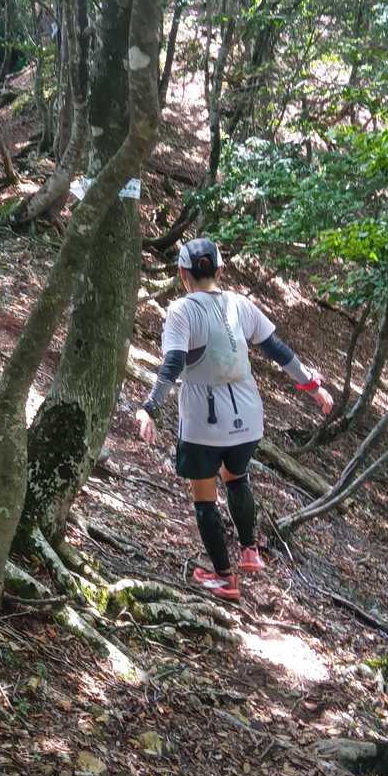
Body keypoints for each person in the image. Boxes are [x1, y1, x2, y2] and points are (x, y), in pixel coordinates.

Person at [135, 238, 333, 600]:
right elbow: (277, 350)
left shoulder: (181, 311)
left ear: (182, 273)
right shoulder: (240, 304)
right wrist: (312, 385)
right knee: (236, 475)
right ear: (220, 270)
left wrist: (149, 407)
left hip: (203, 423)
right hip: (247, 417)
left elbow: (173, 363)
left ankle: (225, 579)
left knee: (204, 497)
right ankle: (249, 550)